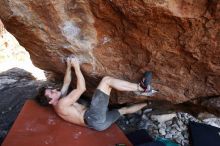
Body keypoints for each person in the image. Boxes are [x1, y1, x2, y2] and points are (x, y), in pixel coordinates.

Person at [36, 56, 157, 131]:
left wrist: (68, 66)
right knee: (106, 81)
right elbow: (81, 88)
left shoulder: (58, 100)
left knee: (123, 110)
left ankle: (148, 102)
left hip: (98, 126)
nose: (55, 90)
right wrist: (77, 67)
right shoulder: (61, 104)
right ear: (51, 101)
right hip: (93, 117)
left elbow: (66, 82)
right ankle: (141, 88)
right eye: (52, 92)